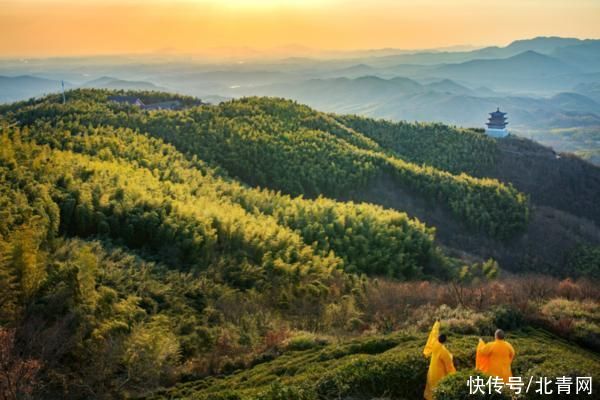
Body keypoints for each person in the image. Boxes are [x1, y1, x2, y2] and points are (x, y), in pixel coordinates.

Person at [423, 321, 456, 400]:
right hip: (439, 375)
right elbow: (449, 366)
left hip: (431, 371)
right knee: (437, 392)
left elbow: (434, 333)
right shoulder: (444, 351)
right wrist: (455, 376)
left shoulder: (434, 343)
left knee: (430, 390)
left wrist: (437, 323)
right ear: (445, 341)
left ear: (438, 338)